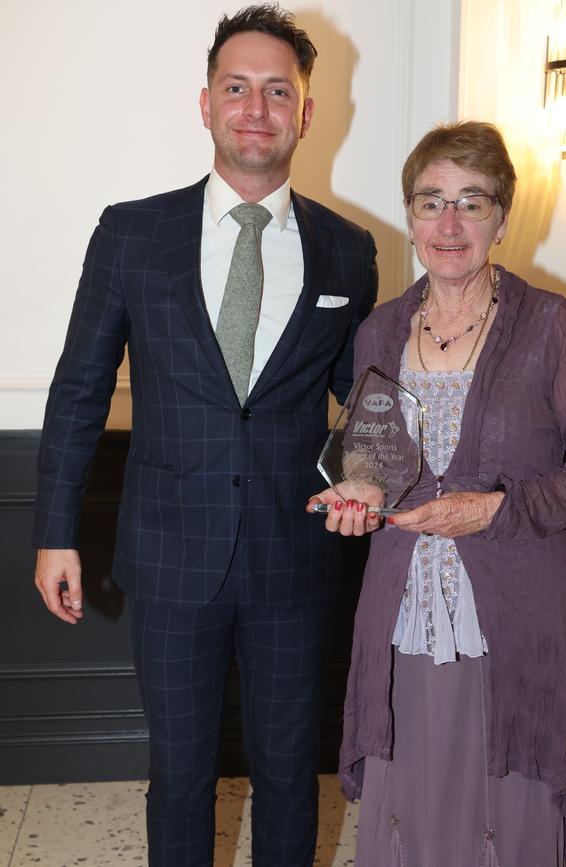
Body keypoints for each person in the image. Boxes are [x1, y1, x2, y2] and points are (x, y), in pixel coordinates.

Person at [32, 5, 377, 866]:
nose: (255, 108)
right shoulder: (131, 233)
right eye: (236, 87)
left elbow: (368, 396)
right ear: (205, 103)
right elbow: (79, 389)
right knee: (180, 774)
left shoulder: (351, 250)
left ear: (306, 113)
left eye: (276, 91)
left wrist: (371, 474)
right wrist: (53, 534)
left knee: (293, 775)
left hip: (293, 560)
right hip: (169, 555)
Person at [308, 121, 566, 866]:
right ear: (410, 217)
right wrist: (356, 498)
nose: (449, 223)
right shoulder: (380, 331)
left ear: (502, 218)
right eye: (431, 201)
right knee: (407, 806)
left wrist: (497, 507)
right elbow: (375, 463)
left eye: (471, 202)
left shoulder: (552, 325)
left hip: (514, 614)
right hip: (403, 612)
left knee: (505, 808)